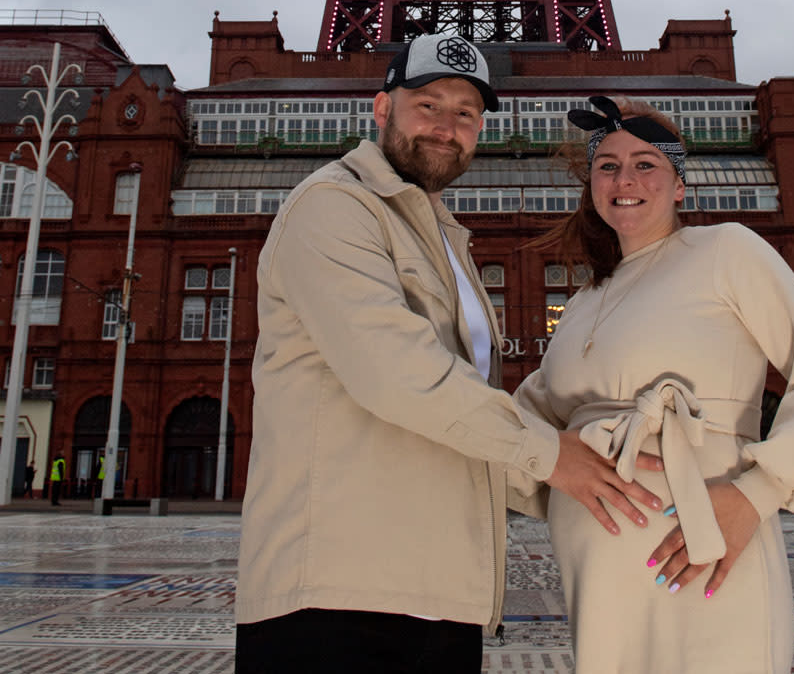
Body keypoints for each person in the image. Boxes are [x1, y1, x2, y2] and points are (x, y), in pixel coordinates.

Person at [235, 37, 662, 674]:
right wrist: (554, 459)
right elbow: (399, 376)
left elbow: (463, 419)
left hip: (435, 594)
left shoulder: (438, 232)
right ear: (381, 107)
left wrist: (607, 486)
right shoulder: (332, 207)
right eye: (428, 104)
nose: (447, 126)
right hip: (335, 598)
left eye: (465, 113)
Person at [511, 95, 794, 674]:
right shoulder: (581, 302)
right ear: (591, 187)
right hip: (598, 580)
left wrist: (757, 493)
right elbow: (515, 425)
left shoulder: (726, 249)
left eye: (645, 163)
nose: (624, 178)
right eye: (607, 165)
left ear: (679, 185)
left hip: (706, 549)